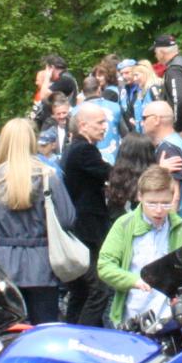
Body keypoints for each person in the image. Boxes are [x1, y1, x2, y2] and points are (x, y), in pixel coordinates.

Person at [0, 118, 79, 324]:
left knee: (6, 330)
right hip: (42, 264)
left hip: (0, 264)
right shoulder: (48, 177)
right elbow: (67, 219)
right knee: (43, 330)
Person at [96, 166, 182, 329]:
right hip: (132, 315)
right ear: (140, 196)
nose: (159, 210)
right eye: (152, 203)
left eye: (165, 203)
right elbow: (105, 266)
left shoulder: (178, 226)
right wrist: (134, 281)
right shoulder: (124, 225)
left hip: (167, 316)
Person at [61, 103, 115, 327]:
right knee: (99, 290)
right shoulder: (85, 150)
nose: (105, 127)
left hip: (79, 229)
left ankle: (73, 331)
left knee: (81, 290)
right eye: (100, 122)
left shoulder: (73, 149)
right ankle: (84, 335)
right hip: (87, 230)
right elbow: (113, 174)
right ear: (83, 125)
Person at [138, 100, 182, 238]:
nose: (141, 123)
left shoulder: (169, 148)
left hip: (180, 221)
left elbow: (174, 195)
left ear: (156, 119)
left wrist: (169, 227)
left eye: (144, 118)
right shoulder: (175, 142)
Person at [151, 35, 182, 146]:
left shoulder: (174, 69)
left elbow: (180, 100)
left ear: (162, 52)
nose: (155, 55)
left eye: (155, 52)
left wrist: (175, 127)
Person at [33, 54, 77, 128]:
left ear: (51, 68)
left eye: (46, 69)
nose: (45, 71)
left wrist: (47, 77)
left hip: (61, 123)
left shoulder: (65, 79)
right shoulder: (65, 78)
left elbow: (43, 96)